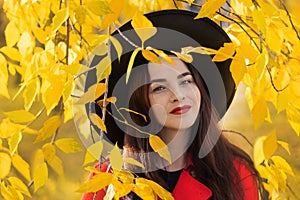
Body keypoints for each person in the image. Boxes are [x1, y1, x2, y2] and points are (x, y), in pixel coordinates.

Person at [82, 9, 265, 200]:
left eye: (186, 81)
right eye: (159, 88)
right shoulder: (108, 177)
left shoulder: (235, 172)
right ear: (138, 103)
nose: (178, 96)